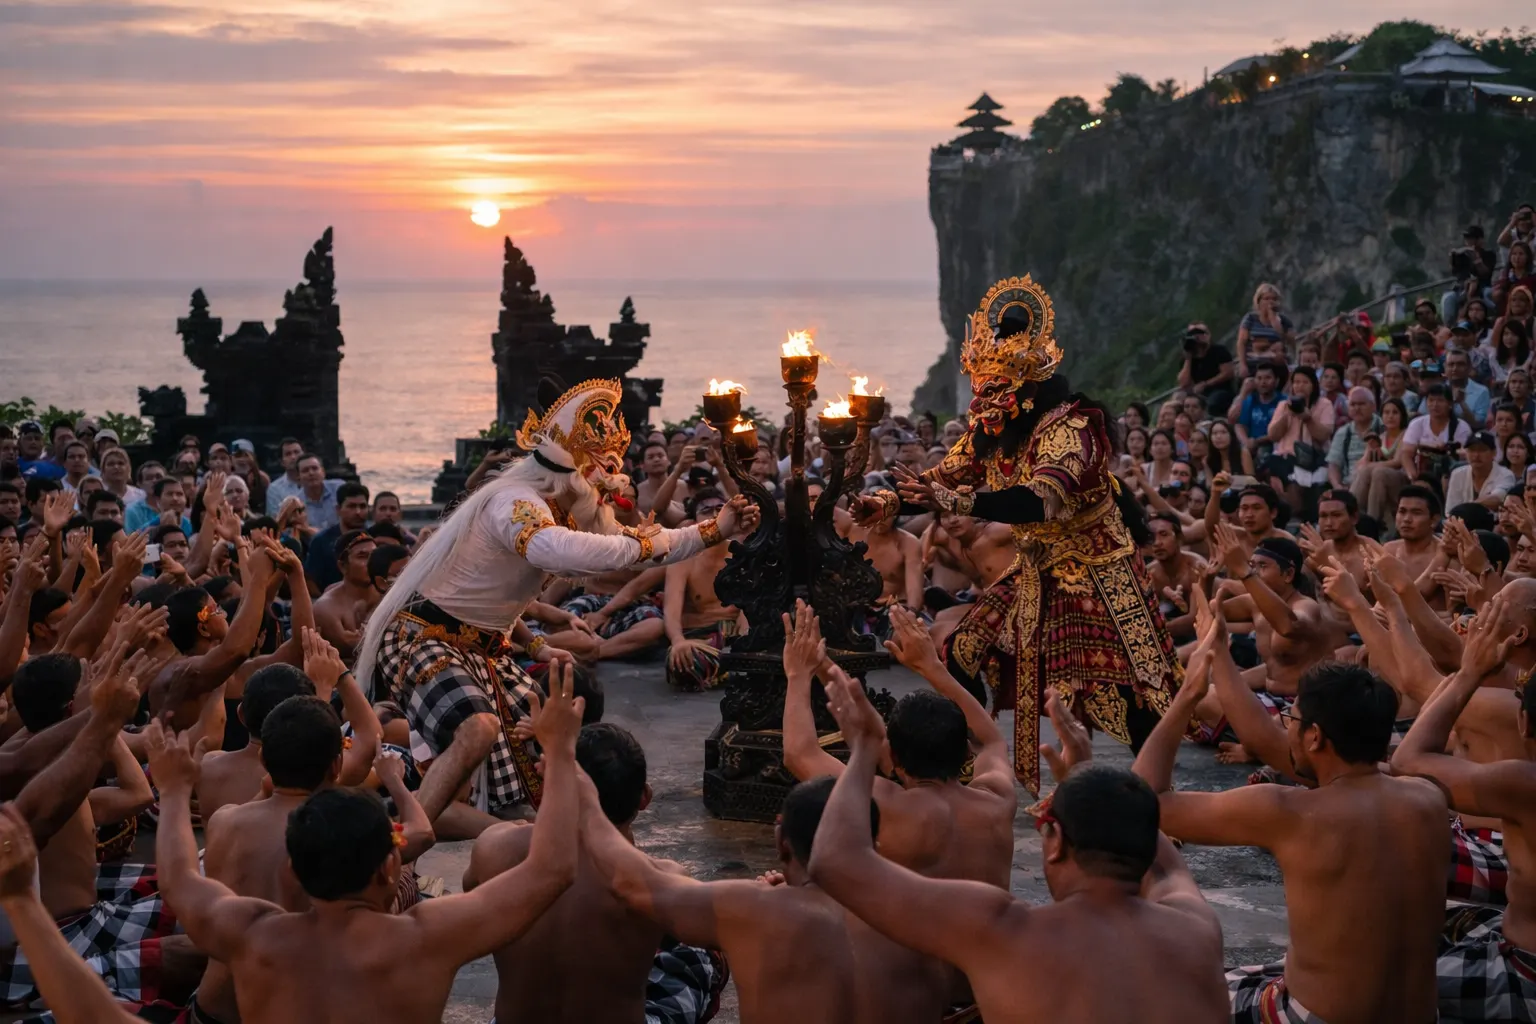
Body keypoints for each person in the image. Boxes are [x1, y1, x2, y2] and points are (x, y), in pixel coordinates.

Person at [355, 377, 758, 827]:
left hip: (484, 649)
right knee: (479, 728)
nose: (610, 495)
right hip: (422, 637)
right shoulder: (515, 502)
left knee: (543, 742)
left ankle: (521, 838)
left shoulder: (564, 512)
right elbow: (555, 550)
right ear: (576, 474)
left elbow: (635, 541)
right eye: (601, 480)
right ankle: (404, 848)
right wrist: (706, 531)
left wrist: (715, 530)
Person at [854, 276, 1183, 794]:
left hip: (1098, 568)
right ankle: (957, 775)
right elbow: (946, 474)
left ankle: (1158, 795)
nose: (983, 405)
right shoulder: (993, 430)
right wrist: (888, 501)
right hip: (1034, 565)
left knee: (1130, 690)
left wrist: (958, 502)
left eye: (996, 393)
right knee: (962, 650)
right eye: (981, 391)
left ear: (1027, 391)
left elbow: (1037, 499)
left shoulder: (1072, 429)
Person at [148, 661, 584, 1024]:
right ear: (389, 866)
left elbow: (179, 877)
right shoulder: (428, 938)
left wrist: (171, 793)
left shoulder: (252, 935)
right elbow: (552, 868)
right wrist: (560, 752)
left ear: (292, 869)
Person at [807, 666, 1226, 1024]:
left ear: (1057, 842)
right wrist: (1085, 776)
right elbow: (1165, 863)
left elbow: (835, 860)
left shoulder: (1006, 930)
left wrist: (863, 748)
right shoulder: (1196, 925)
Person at [1137, 614, 1447, 1024]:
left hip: (1312, 1016)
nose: (1286, 731)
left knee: (1163, 986)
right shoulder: (1428, 799)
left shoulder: (1290, 813)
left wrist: (1188, 697)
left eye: (1291, 721)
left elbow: (1141, 802)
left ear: (1315, 736)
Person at [464, 721, 727, 1024]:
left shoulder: (494, 847)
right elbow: (720, 931)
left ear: (554, 786)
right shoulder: (661, 878)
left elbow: (471, 892)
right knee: (704, 955)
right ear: (644, 798)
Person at [190, 692, 421, 1024]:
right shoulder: (341, 834)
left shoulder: (224, 821)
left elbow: (177, 879)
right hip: (294, 1008)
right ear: (337, 765)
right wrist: (395, 781)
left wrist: (172, 793)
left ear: (265, 761)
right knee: (406, 872)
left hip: (212, 1011)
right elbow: (423, 832)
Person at [1389, 603, 1536, 1020]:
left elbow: (1408, 760)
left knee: (1375, 977)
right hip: (1511, 932)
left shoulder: (1523, 783)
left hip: (1524, 974)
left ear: (1523, 722)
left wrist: (1469, 673)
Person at [663, 491, 741, 691]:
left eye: (721, 510)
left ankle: (738, 666)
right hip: (698, 639)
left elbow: (748, 609)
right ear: (694, 521)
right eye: (706, 511)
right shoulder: (682, 558)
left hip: (735, 636)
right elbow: (671, 611)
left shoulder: (742, 553)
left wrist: (747, 643)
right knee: (685, 663)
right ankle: (735, 670)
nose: (715, 515)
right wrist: (678, 641)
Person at [311, 530, 378, 658]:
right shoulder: (326, 608)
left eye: (374, 555)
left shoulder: (390, 595)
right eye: (362, 556)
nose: (372, 562)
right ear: (343, 566)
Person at [1146, 513, 1206, 643]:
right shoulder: (1148, 573)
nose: (1157, 543)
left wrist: (1151, 632)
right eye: (1151, 537)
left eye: (1164, 534)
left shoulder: (1196, 567)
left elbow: (1196, 619)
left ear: (1178, 538)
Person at [304, 481, 370, 594]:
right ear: (338, 509)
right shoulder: (321, 541)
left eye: (362, 506)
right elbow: (310, 580)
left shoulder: (374, 538)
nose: (358, 512)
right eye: (352, 506)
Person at [1230, 361, 1285, 467]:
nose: (1263, 382)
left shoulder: (1283, 402)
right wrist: (1246, 442)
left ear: (1277, 381)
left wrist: (1256, 441)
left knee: (1262, 453)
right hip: (1250, 445)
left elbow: (1281, 432)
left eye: (1267, 378)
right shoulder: (1250, 399)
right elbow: (1237, 424)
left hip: (1273, 445)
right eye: (1259, 378)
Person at [1447, 431, 1518, 511]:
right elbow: (1451, 509)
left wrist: (1467, 509)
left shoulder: (1506, 475)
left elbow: (1497, 499)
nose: (1476, 455)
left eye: (1482, 450)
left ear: (1494, 453)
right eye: (1472, 450)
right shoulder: (1457, 474)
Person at [1327, 386, 1382, 490]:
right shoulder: (1343, 432)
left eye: (1361, 404)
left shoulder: (1384, 428)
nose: (1357, 408)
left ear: (1373, 406)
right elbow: (1333, 465)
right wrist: (1337, 486)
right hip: (1349, 485)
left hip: (1376, 483)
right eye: (1353, 404)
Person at [1387, 485, 1445, 581]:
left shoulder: (1445, 557)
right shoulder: (1388, 551)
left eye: (1416, 513)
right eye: (1402, 511)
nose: (1406, 519)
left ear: (1434, 520)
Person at [1177, 321, 1234, 416]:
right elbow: (1183, 383)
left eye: (1200, 334)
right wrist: (1188, 359)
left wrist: (1206, 384)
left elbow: (1228, 372)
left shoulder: (1219, 350)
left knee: (1212, 402)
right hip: (1197, 392)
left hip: (1219, 389)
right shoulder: (1188, 357)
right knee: (1177, 400)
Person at [1236, 282, 1295, 376]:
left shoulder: (1284, 321)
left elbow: (1291, 342)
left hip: (1277, 364)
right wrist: (1242, 364)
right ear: (1259, 301)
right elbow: (1241, 342)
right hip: (1254, 364)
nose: (1270, 301)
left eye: (1274, 299)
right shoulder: (1250, 318)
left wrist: (1273, 319)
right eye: (1267, 298)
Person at [1446, 348, 1492, 429]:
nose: (1455, 369)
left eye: (1460, 364)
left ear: (1469, 367)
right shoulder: (1437, 389)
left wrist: (1462, 403)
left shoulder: (1482, 391)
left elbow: (1478, 425)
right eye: (1451, 364)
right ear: (1445, 367)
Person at [262, 438, 306, 516]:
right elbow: (276, 520)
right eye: (288, 454)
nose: (293, 457)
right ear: (282, 462)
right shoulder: (274, 489)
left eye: (296, 452)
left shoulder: (315, 481)